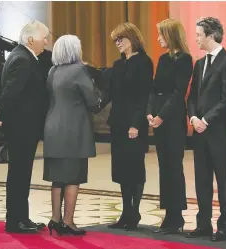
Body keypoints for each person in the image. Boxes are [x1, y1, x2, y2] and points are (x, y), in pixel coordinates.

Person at [0, 21, 49, 233]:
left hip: (22, 127)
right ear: (31, 39)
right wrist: (2, 115)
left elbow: (11, 90)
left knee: (20, 174)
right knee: (19, 175)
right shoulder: (24, 59)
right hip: (22, 128)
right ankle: (16, 221)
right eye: (44, 37)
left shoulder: (19, 55)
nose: (46, 41)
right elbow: (11, 91)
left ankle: (21, 218)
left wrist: (0, 113)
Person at [186, 17, 226, 242]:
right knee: (201, 178)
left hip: (218, 130)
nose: (196, 38)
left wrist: (205, 120)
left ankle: (224, 227)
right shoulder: (199, 64)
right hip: (199, 131)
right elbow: (191, 98)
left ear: (210, 35)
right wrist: (193, 118)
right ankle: (203, 224)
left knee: (223, 178)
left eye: (199, 34)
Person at [43, 34, 101, 236]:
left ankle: (55, 219)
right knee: (73, 177)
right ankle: (68, 222)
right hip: (73, 131)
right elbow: (93, 102)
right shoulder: (79, 70)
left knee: (57, 178)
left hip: (52, 129)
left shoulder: (52, 71)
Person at [101, 23, 153, 230]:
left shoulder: (144, 62)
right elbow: (110, 91)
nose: (118, 44)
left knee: (135, 168)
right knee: (121, 169)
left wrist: (136, 124)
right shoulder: (118, 64)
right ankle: (126, 212)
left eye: (120, 39)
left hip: (134, 124)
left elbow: (144, 95)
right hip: (118, 123)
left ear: (132, 38)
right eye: (115, 41)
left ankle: (135, 211)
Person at [146, 18, 193, 235]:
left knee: (174, 168)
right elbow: (154, 89)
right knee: (164, 169)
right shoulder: (163, 59)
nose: (158, 39)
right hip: (158, 119)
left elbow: (178, 93)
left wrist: (161, 116)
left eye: (161, 35)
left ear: (170, 35)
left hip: (172, 120)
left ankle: (177, 217)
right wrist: (150, 112)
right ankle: (168, 215)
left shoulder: (184, 59)